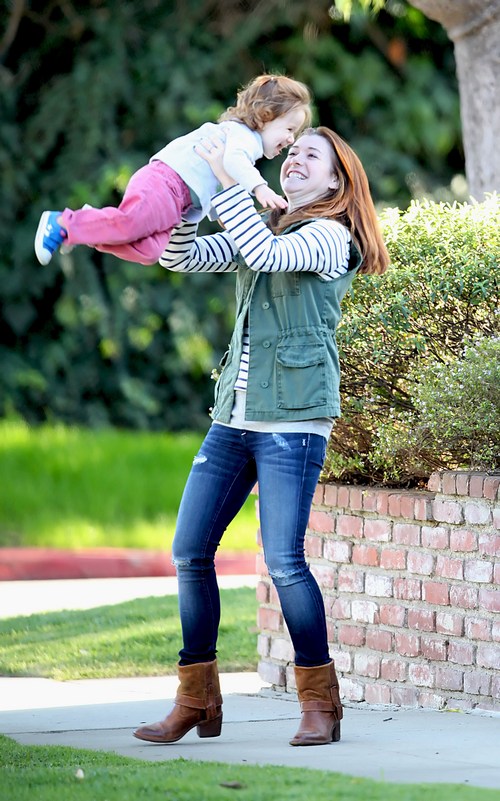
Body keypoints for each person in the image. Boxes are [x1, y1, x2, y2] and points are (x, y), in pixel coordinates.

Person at [133, 126, 389, 748]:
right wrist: (191, 197)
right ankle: (196, 699)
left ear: (335, 182)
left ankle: (320, 705)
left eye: (312, 156)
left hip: (293, 420)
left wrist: (227, 179)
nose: (295, 159)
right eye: (292, 152)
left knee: (283, 560)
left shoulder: (330, 238)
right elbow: (181, 256)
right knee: (190, 551)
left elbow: (266, 256)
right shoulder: (267, 226)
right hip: (234, 418)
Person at [34, 74, 312, 266]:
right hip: (166, 183)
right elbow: (232, 162)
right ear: (265, 117)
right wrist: (260, 187)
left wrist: (226, 218)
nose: (290, 140)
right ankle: (62, 223)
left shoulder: (244, 148)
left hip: (176, 201)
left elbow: (221, 188)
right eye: (289, 130)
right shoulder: (243, 136)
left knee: (150, 252)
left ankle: (82, 228)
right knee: (131, 224)